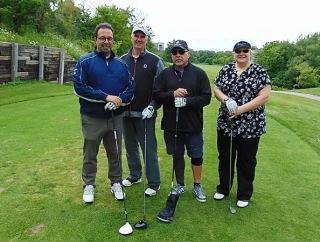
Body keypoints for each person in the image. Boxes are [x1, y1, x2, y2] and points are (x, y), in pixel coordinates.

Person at [72, 22, 135, 204]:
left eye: (109, 38)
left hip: (115, 117)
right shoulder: (85, 62)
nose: (106, 41)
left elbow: (131, 87)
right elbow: (80, 88)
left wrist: (119, 100)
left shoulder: (121, 65)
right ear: (96, 39)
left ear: (113, 41)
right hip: (92, 117)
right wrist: (106, 97)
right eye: (102, 38)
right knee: (90, 153)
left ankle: (116, 183)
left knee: (115, 153)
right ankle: (89, 184)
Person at [213, 40, 271, 208]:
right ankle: (223, 189)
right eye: (238, 50)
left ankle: (244, 194)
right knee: (225, 157)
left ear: (250, 52)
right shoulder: (226, 69)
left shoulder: (259, 71)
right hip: (226, 123)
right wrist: (226, 99)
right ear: (234, 53)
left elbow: (264, 96)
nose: (242, 53)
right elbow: (217, 89)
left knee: (246, 160)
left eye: (245, 50)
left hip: (251, 124)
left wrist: (240, 109)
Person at [153, 40, 212, 204]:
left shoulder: (199, 73)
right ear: (171, 55)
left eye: (181, 52)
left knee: (196, 155)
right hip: (172, 124)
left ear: (188, 54)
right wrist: (172, 94)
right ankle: (180, 184)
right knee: (177, 155)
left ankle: (197, 185)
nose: (178, 55)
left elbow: (206, 97)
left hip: (193, 124)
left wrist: (187, 101)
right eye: (174, 53)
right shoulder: (164, 74)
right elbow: (157, 95)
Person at [120, 26, 164, 196]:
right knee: (130, 147)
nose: (139, 39)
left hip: (146, 113)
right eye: (136, 36)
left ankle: (154, 182)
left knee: (148, 148)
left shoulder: (154, 60)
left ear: (146, 39)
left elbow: (160, 89)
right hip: (125, 112)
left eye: (142, 36)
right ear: (131, 38)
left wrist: (153, 105)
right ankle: (135, 175)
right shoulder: (122, 60)